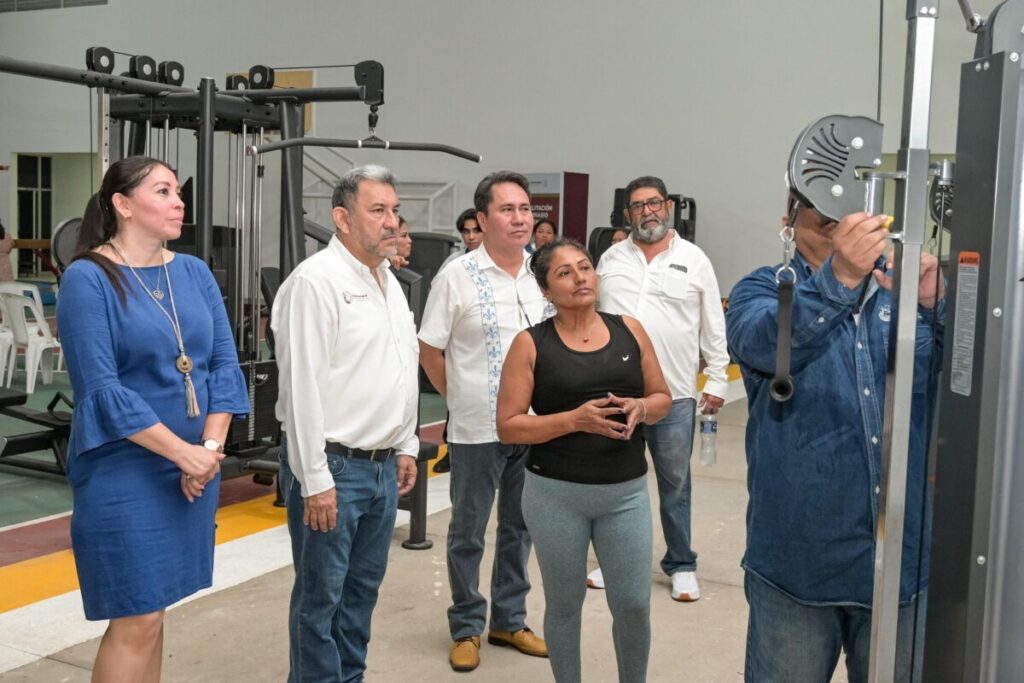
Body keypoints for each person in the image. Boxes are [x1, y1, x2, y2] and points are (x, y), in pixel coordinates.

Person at [726, 197, 944, 682]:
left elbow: (971, 381)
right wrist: (839, 280)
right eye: (816, 203)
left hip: (901, 564)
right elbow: (763, 345)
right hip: (798, 567)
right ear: (787, 223)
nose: (833, 210)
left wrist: (937, 306)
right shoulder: (762, 289)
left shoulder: (903, 295)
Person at [56, 156, 250, 682]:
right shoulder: (88, 279)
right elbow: (102, 391)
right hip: (124, 469)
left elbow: (223, 366)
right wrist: (184, 454)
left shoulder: (193, 272)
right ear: (122, 204)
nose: (178, 202)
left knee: (154, 610)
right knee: (135, 616)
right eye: (162, 191)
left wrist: (208, 452)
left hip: (194, 470)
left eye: (177, 192)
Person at [497, 239, 671, 683]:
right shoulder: (530, 344)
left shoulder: (630, 330)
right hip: (555, 495)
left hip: (625, 494)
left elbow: (662, 398)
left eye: (585, 267)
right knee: (564, 605)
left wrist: (641, 408)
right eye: (564, 273)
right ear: (546, 290)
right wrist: (574, 420)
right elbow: (509, 426)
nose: (580, 278)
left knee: (633, 604)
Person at [272, 164, 419, 683]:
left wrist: (407, 443)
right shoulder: (315, 283)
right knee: (321, 604)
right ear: (342, 218)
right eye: (377, 210)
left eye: (394, 210)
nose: (392, 222)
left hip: (380, 469)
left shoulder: (387, 281)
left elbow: (400, 364)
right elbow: (302, 390)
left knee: (359, 598)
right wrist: (315, 480)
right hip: (333, 470)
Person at [419, 171, 549, 672]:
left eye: (525, 209)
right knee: (468, 531)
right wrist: (458, 399)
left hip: (533, 427)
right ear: (482, 218)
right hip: (476, 430)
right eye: (507, 209)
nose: (519, 218)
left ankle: (509, 620)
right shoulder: (457, 275)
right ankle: (467, 625)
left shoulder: (543, 273)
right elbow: (430, 348)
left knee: (520, 529)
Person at [592, 175, 730, 602]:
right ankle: (614, 561)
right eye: (638, 206)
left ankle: (682, 564)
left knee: (675, 484)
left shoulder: (694, 259)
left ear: (667, 207)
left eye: (654, 203)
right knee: (615, 484)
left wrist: (719, 377)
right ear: (627, 214)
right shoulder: (610, 259)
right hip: (616, 394)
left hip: (674, 396)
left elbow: (713, 323)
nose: (647, 212)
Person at [437, 207, 484, 275]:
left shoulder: (495, 259)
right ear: (462, 235)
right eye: (466, 232)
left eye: (476, 231)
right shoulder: (453, 259)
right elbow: (438, 281)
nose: (471, 237)